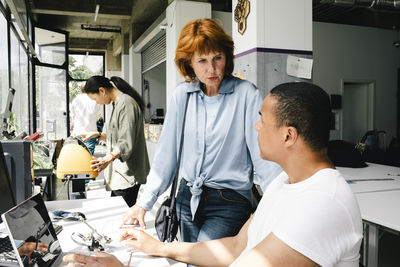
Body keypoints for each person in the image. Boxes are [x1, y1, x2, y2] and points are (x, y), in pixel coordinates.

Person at [63, 82, 363, 267]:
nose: (255, 127)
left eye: (262, 120)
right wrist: (156, 247)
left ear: (288, 136)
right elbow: (234, 248)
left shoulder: (321, 203)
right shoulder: (284, 184)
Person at [122, 18, 282, 243]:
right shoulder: (182, 96)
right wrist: (143, 204)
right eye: (202, 60)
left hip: (230, 201)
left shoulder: (246, 94)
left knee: (202, 259)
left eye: (218, 58)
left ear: (226, 57)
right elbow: (167, 155)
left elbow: (263, 153)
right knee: (189, 258)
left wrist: (280, 201)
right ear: (190, 63)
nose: (212, 69)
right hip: (186, 199)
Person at [78, 76, 150, 207]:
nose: (97, 103)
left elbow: (125, 142)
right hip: (120, 175)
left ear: (102, 91)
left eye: (95, 99)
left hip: (127, 175)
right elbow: (117, 137)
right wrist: (98, 135)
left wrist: (106, 159)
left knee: (123, 219)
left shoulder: (126, 104)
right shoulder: (117, 103)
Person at [70, 87, 103, 155]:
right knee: (88, 156)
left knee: (78, 156)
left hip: (78, 132)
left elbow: (72, 116)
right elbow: (98, 116)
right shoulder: (95, 100)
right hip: (91, 133)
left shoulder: (76, 99)